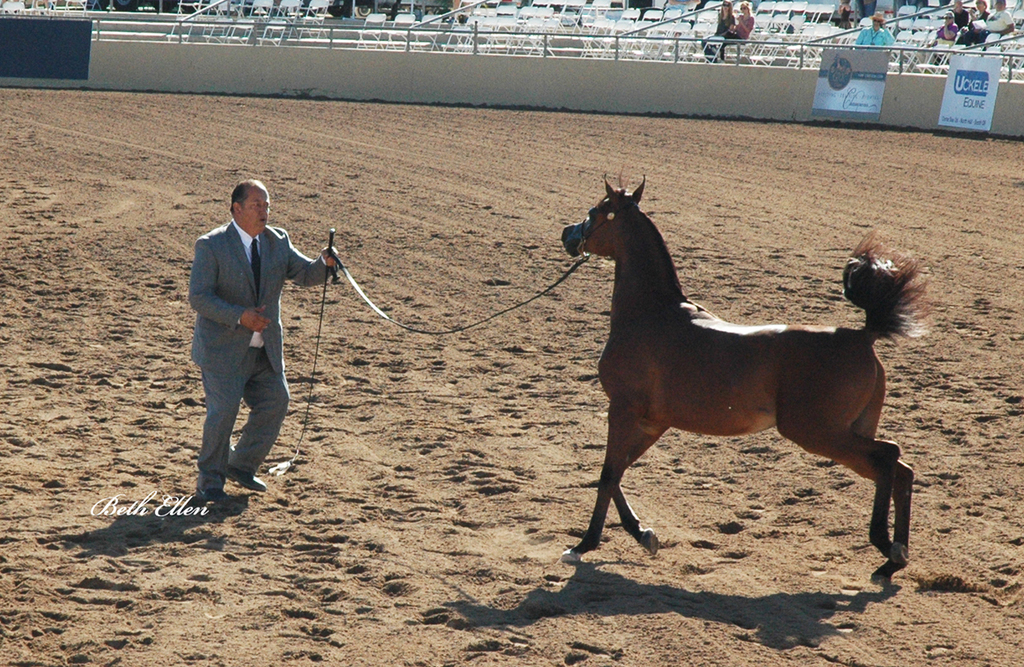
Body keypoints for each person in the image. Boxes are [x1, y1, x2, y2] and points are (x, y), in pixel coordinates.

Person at [189, 179, 337, 503]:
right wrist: (240, 316)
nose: (264, 211)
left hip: (263, 349)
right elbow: (199, 297)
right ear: (236, 209)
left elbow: (304, 273)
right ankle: (209, 482)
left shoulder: (277, 241)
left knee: (276, 401)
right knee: (223, 413)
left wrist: (324, 264)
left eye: (267, 205)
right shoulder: (211, 245)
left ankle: (241, 465)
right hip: (222, 350)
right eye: (257, 205)